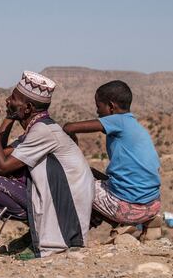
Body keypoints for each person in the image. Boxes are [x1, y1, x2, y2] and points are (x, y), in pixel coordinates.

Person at [0, 71, 93, 258]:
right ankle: (34, 231)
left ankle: (36, 232)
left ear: (28, 107)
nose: (7, 100)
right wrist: (9, 116)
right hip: (56, 194)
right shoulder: (38, 128)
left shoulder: (42, 131)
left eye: (13, 99)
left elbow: (2, 166)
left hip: (64, 203)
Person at [62, 80, 162, 241]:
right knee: (92, 173)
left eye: (98, 106)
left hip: (127, 207)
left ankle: (121, 225)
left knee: (75, 182)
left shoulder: (118, 120)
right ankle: (149, 223)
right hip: (153, 204)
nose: (97, 111)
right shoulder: (135, 125)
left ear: (111, 106)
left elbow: (68, 127)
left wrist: (73, 155)